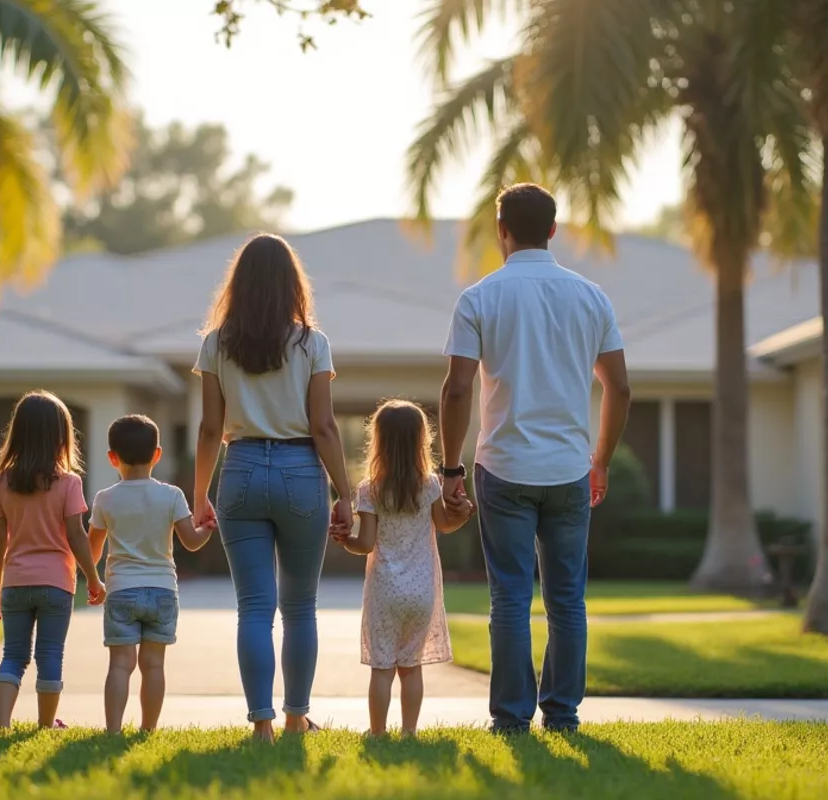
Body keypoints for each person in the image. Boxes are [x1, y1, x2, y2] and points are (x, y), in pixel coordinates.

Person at [439, 183, 631, 734]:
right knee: (567, 598)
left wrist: (452, 469)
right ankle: (563, 713)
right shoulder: (591, 297)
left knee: (510, 599)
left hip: (502, 468)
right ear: (553, 229)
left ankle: (512, 717)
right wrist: (602, 459)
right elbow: (618, 387)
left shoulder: (479, 297)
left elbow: (456, 390)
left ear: (502, 231)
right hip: (570, 469)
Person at [192, 233, 355, 742]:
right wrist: (345, 493)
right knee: (300, 606)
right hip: (302, 472)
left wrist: (198, 495)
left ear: (238, 283)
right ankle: (295, 718)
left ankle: (260, 723)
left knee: (254, 608)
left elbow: (209, 429)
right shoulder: (312, 343)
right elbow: (324, 426)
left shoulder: (216, 343)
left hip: (239, 470)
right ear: (291, 283)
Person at [332, 400, 473, 738]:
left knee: (382, 668)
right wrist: (464, 513)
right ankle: (409, 732)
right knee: (411, 668)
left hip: (384, 591)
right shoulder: (430, 486)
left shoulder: (371, 489)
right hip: (422, 592)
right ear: (421, 441)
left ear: (378, 441)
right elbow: (443, 525)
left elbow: (365, 544)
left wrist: (344, 541)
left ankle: (377, 733)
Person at [0, 390, 107, 730]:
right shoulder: (68, 483)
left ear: (18, 433)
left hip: (15, 583)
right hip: (56, 584)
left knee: (13, 655)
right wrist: (93, 579)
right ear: (61, 437)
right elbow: (76, 536)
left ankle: (3, 724)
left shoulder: (2, 482)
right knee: (50, 655)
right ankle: (45, 724)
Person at [87, 414, 215, 734]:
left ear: (112, 457)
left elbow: (92, 551)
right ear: (157, 454)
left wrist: (94, 580)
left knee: (120, 665)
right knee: (154, 665)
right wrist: (207, 528)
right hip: (162, 592)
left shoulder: (105, 498)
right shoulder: (171, 495)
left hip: (121, 591)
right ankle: (148, 730)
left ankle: (113, 730)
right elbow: (191, 541)